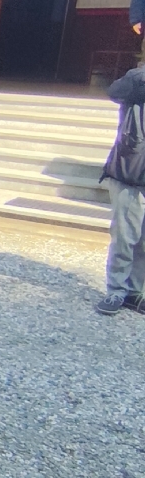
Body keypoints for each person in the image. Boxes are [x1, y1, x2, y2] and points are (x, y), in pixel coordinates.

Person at [95, 64, 145, 316]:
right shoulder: (137, 81)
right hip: (130, 174)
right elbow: (114, 92)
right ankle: (116, 289)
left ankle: (135, 291)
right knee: (125, 238)